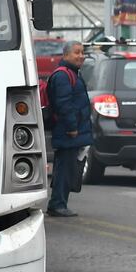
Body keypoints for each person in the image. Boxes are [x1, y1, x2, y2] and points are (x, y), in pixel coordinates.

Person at [47, 41, 93, 218]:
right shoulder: (63, 76)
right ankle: (57, 204)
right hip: (68, 131)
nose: (81, 56)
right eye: (76, 53)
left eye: (82, 52)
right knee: (64, 168)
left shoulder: (72, 73)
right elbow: (64, 104)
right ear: (66, 55)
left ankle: (59, 203)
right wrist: (72, 128)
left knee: (66, 168)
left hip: (73, 130)